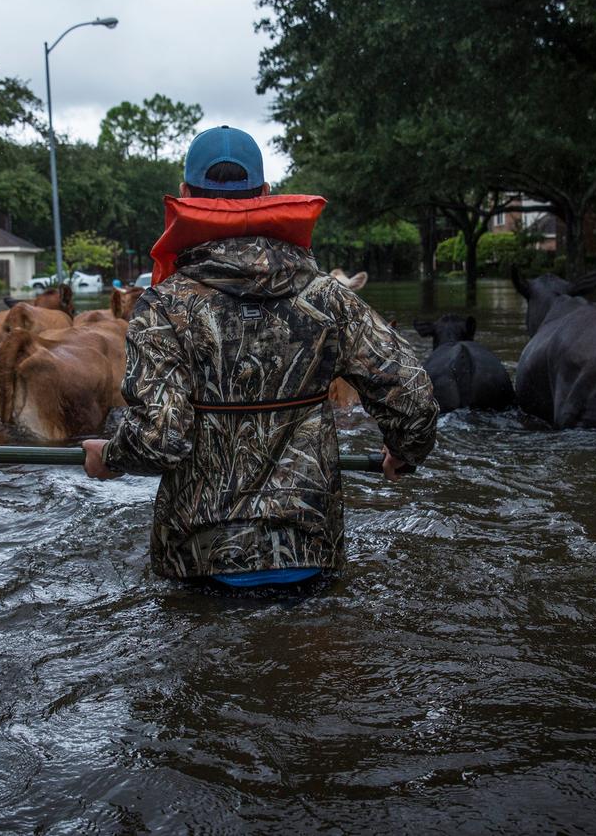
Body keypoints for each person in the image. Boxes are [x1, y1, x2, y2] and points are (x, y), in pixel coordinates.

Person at [82, 125, 437, 588]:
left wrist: (110, 455)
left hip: (199, 563)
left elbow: (161, 437)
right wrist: (404, 453)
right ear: (266, 194)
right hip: (309, 555)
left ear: (186, 194)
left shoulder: (163, 306)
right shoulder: (329, 298)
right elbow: (413, 398)